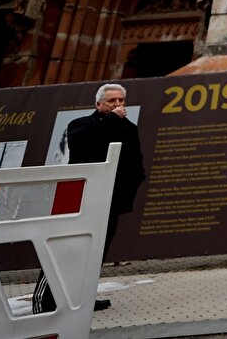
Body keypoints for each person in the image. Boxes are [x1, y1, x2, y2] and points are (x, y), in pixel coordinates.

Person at [34, 83, 146, 313]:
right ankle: (48, 301)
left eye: (121, 101)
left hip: (111, 200)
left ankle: (82, 297)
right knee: (69, 248)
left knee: (97, 251)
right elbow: (82, 148)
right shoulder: (81, 124)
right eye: (112, 101)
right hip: (83, 198)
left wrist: (128, 186)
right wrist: (113, 120)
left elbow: (136, 162)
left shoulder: (129, 128)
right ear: (98, 104)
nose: (118, 105)